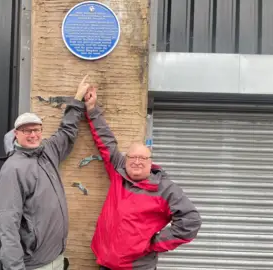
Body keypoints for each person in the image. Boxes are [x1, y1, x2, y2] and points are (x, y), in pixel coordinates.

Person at [83, 87, 202, 270]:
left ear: (150, 162)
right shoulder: (119, 172)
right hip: (105, 264)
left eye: (142, 158)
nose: (137, 162)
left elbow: (191, 220)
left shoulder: (165, 189)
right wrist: (92, 110)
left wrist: (153, 243)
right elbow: (106, 141)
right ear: (126, 159)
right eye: (132, 157)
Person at [0, 75, 91, 270]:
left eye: (37, 130)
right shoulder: (12, 169)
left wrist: (78, 100)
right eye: (27, 131)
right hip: (35, 265)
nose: (33, 135)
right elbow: (8, 223)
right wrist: (14, 267)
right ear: (16, 134)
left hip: (56, 257)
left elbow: (67, 131)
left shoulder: (47, 151)